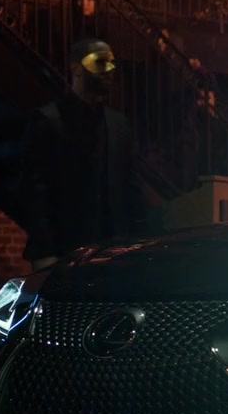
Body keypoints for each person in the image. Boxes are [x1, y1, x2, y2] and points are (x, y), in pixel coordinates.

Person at [18, 38, 148, 272]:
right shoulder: (48, 121)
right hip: (65, 251)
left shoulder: (119, 125)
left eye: (112, 63)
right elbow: (35, 194)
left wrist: (137, 242)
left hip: (114, 251)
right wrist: (45, 251)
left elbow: (131, 188)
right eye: (100, 62)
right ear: (77, 68)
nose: (110, 70)